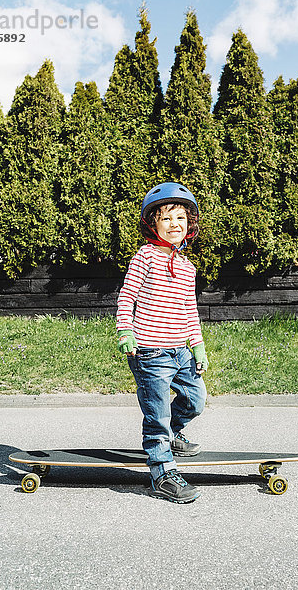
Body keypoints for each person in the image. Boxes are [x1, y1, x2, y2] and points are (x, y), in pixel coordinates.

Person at [116, 182, 209, 504]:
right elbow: (127, 296)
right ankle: (162, 471)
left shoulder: (187, 266)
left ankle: (174, 434)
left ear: (190, 226)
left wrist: (197, 346)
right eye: (167, 218)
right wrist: (124, 331)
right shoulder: (145, 256)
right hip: (150, 351)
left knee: (196, 400)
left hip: (181, 350)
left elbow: (189, 309)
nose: (175, 225)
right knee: (157, 415)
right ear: (153, 224)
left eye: (181, 218)